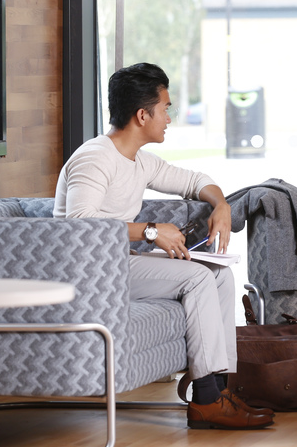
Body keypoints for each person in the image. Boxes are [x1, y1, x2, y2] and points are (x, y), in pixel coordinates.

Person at [53, 63, 273, 431]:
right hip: (88, 271)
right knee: (197, 278)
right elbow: (80, 225)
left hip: (119, 264)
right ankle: (205, 400)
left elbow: (196, 181)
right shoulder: (94, 158)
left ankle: (218, 389)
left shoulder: (139, 159)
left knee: (219, 274)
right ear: (142, 115)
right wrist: (151, 232)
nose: (170, 117)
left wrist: (221, 205)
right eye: (166, 108)